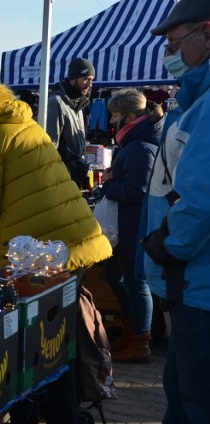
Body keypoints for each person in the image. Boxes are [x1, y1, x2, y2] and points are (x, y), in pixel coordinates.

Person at [0, 77, 112, 424]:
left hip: (43, 251)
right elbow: (1, 187)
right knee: (58, 341)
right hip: (70, 239)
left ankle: (43, 413)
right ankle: (64, 413)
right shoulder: (14, 121)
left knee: (36, 345)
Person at [138, 0, 210, 422]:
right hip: (190, 283)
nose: (169, 56)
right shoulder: (193, 101)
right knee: (183, 395)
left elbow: (200, 197)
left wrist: (169, 248)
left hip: (198, 285)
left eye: (174, 43)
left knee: (193, 402)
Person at [99, 89, 162, 363]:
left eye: (115, 114)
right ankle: (131, 330)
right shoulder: (135, 141)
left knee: (136, 282)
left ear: (130, 115)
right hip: (127, 225)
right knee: (116, 276)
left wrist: (110, 183)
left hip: (134, 226)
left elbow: (137, 191)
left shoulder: (139, 147)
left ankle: (141, 341)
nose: (111, 119)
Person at [46, 57, 95, 190]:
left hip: (75, 174)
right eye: (86, 79)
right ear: (73, 78)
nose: (90, 84)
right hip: (61, 177)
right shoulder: (56, 102)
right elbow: (50, 145)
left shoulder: (78, 103)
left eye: (92, 80)